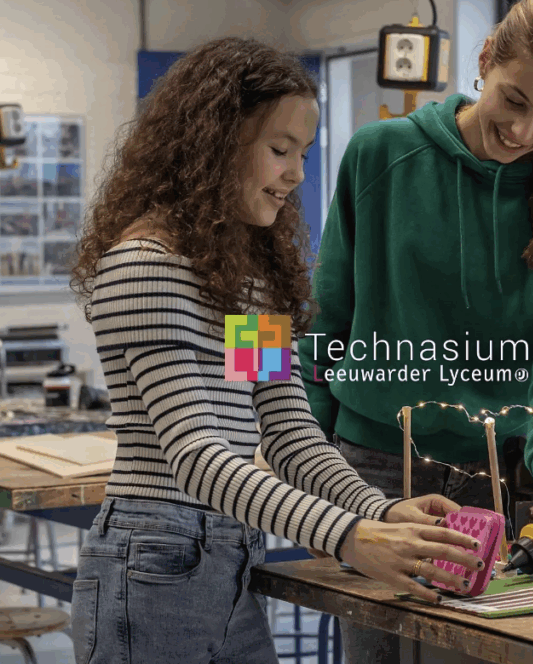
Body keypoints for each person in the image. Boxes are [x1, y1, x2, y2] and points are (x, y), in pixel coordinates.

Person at [68, 37, 489, 664]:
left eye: (302, 154)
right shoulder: (145, 267)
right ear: (213, 145)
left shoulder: (246, 285)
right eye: (278, 150)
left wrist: (383, 512)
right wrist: (349, 536)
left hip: (228, 558)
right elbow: (197, 457)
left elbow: (289, 432)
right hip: (152, 564)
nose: (295, 174)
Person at [298, 0, 533, 661]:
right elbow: (321, 317)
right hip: (372, 473)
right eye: (514, 100)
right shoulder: (378, 155)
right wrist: (302, 456)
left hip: (509, 482)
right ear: (484, 62)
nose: (525, 130)